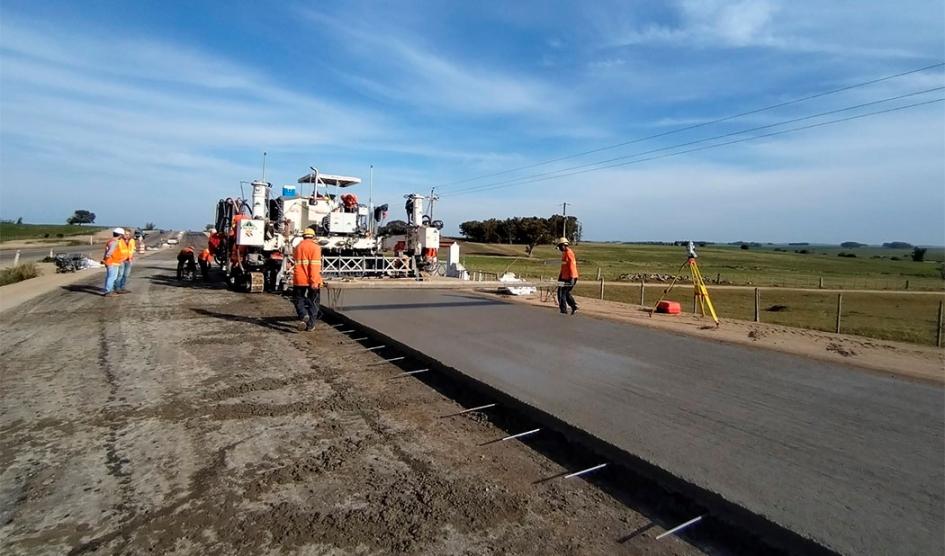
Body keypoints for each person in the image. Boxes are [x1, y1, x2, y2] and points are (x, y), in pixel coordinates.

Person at [292, 228, 324, 332]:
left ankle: (303, 314)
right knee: (313, 302)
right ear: (313, 236)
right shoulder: (316, 247)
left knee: (298, 299)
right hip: (312, 279)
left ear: (303, 236)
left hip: (299, 278)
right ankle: (310, 326)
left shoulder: (297, 247)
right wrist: (314, 281)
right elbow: (314, 266)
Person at [101, 228, 127, 297]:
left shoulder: (110, 241)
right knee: (112, 277)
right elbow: (109, 253)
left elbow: (107, 252)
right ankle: (108, 291)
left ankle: (107, 290)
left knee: (109, 277)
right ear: (120, 235)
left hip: (110, 262)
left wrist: (104, 260)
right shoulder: (114, 242)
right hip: (113, 262)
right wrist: (106, 258)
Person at [556, 237, 579, 315]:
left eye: (560, 246)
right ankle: (574, 306)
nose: (559, 248)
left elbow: (572, 265)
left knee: (563, 293)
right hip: (564, 277)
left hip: (570, 277)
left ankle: (563, 310)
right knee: (563, 292)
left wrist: (572, 278)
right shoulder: (564, 253)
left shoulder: (569, 253)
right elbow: (564, 266)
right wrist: (560, 276)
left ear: (564, 245)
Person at [114, 228, 136, 294]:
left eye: (129, 234)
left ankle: (122, 287)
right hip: (121, 260)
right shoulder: (119, 240)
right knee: (120, 274)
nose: (127, 235)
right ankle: (117, 288)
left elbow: (132, 249)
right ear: (123, 234)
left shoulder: (132, 240)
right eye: (126, 234)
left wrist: (131, 257)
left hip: (129, 260)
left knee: (126, 275)